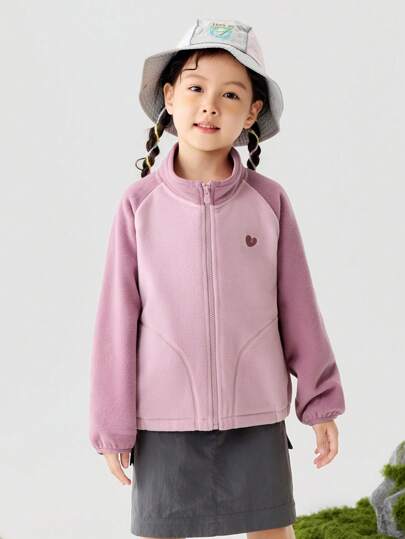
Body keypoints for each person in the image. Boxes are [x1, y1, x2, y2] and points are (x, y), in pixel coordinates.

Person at [89, 17, 346, 539]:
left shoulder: (269, 202)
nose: (210, 106)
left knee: (273, 532)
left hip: (256, 413)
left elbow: (299, 307)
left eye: (230, 94)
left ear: (251, 112)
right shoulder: (138, 205)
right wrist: (112, 424)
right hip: (163, 418)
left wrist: (320, 402)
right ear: (169, 97)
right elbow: (116, 320)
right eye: (196, 89)